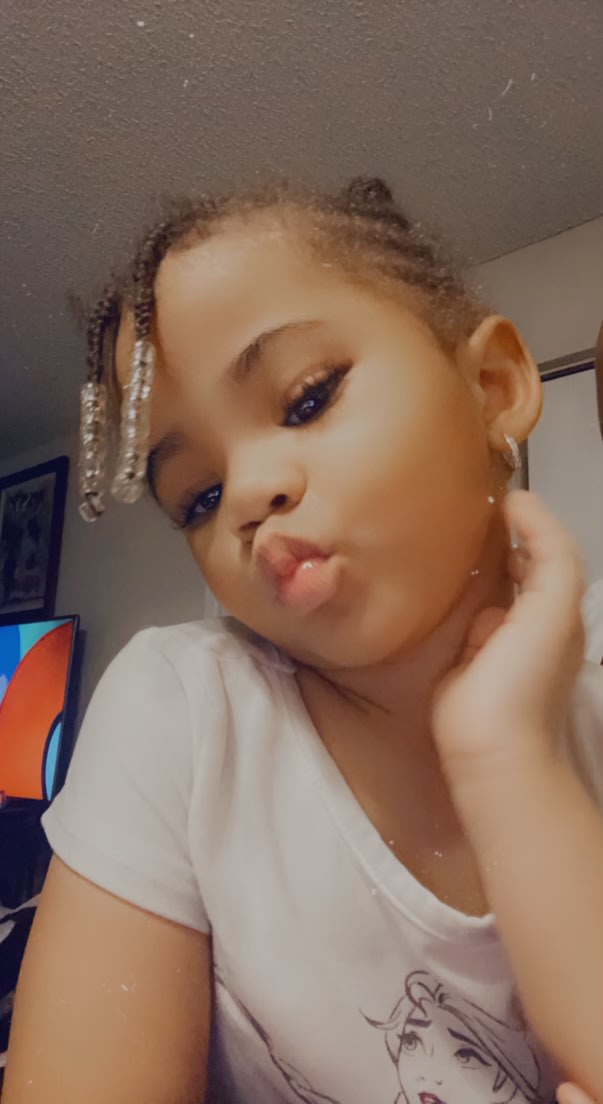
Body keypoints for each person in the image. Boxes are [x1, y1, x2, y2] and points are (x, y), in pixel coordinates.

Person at [3, 179, 602, 1104]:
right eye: (198, 498)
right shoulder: (185, 713)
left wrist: (509, 759)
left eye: (306, 399)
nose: (246, 495)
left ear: (491, 388)